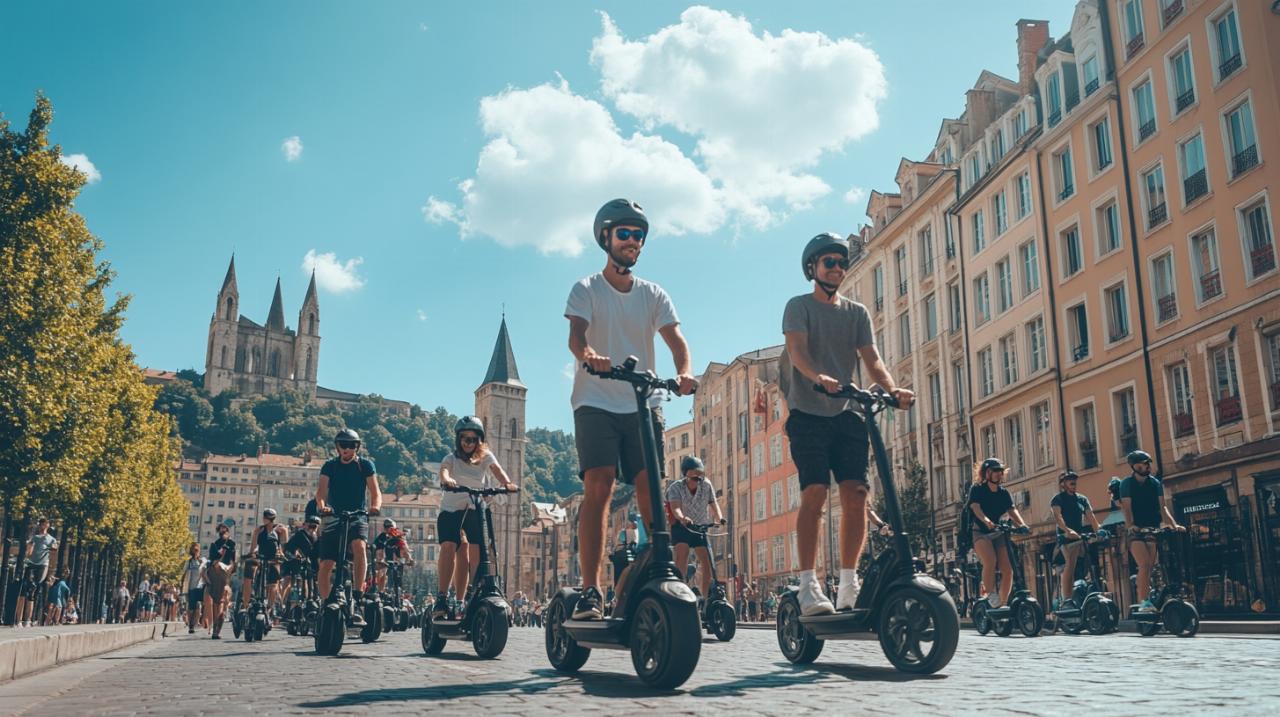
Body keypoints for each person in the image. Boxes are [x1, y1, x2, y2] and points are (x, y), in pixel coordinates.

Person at [565, 198, 696, 620]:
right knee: (600, 486)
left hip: (642, 401)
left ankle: (655, 574)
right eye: (624, 234)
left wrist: (684, 372)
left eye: (639, 235)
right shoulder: (587, 289)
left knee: (651, 493)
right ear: (606, 238)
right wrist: (590, 355)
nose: (632, 241)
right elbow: (576, 337)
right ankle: (590, 590)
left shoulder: (653, 294)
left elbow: (676, 341)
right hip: (596, 399)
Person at [780, 233, 916, 615]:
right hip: (808, 413)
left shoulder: (857, 313)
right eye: (829, 262)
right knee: (815, 492)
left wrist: (892, 389)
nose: (837, 269)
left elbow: (872, 359)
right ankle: (808, 585)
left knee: (857, 494)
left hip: (848, 411)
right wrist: (818, 376)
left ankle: (848, 584)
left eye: (842, 263)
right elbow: (797, 351)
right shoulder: (798, 306)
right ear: (812, 268)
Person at [434, 417, 516, 618]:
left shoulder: (485, 457)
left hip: (475, 507)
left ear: (479, 440)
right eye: (465, 439)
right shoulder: (451, 458)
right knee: (450, 546)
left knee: (477, 548)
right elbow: (444, 472)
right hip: (451, 509)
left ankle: (471, 592)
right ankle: (442, 598)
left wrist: (507, 484)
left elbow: (497, 470)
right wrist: (448, 480)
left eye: (473, 439)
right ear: (459, 440)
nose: (469, 443)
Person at [316, 428, 382, 627]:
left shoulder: (365, 465)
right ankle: (325, 603)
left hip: (357, 515)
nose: (347, 449)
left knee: (359, 546)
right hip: (333, 516)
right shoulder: (330, 466)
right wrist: (322, 507)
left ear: (357, 447)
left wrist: (375, 507)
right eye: (343, 445)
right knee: (326, 564)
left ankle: (358, 594)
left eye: (351, 445)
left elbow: (375, 492)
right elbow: (321, 492)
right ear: (337, 447)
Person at [1118, 450, 1184, 613]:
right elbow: (1127, 508)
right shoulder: (1126, 484)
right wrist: (1131, 525)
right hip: (1136, 530)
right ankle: (1144, 602)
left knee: (1151, 566)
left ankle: (1148, 593)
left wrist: (1174, 525)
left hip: (1152, 527)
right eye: (1143, 463)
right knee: (1144, 564)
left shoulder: (1155, 483)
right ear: (1134, 466)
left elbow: (1163, 508)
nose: (1147, 466)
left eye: (1148, 463)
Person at [967, 458, 1030, 609]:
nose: (998, 474)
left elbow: (1012, 510)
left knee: (1008, 569)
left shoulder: (1003, 493)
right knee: (990, 561)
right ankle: (990, 596)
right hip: (980, 533)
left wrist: (1022, 525)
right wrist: (986, 521)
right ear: (986, 473)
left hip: (998, 532)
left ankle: (1002, 604)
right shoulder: (977, 489)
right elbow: (975, 507)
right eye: (994, 471)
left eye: (1000, 471)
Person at [664, 456, 725, 599]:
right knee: (682, 556)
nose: (698, 480)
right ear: (685, 475)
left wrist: (720, 518)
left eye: (700, 476)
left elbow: (713, 503)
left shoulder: (706, 485)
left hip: (700, 527)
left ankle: (705, 599)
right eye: (694, 477)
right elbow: (675, 508)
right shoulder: (676, 488)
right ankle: (680, 595)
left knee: (707, 563)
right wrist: (682, 518)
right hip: (682, 527)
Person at [1050, 471, 1102, 610]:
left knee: (1089, 565)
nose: (1073, 482)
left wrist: (1099, 530)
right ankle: (1067, 600)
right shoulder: (1058, 499)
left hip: (1080, 537)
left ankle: (1086, 594)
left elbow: (1092, 518)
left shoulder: (1082, 499)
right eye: (1069, 480)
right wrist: (1067, 530)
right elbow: (1058, 517)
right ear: (1063, 484)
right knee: (1070, 564)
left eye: (1074, 479)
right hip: (1066, 538)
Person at [241, 508, 288, 623]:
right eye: (264, 517)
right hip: (260, 557)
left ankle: (270, 608)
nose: (265, 519)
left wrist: (281, 553)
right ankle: (246, 605)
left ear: (272, 519)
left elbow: (283, 547)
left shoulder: (281, 530)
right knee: (249, 572)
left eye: (267, 518)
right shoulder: (259, 530)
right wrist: (253, 553)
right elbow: (254, 546)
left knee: (273, 584)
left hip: (273, 559)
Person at [15, 518, 59, 628]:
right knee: (24, 589)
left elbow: (54, 552)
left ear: (48, 525)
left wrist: (51, 572)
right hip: (31, 564)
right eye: (41, 524)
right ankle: (19, 620)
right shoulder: (35, 537)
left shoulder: (52, 539)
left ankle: (28, 620)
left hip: (42, 565)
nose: (43, 525)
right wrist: (26, 557)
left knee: (34, 587)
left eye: (45, 523)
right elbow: (29, 550)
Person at [280, 514, 320, 610]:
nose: (312, 529)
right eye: (310, 526)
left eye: (315, 527)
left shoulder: (318, 537)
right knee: (296, 583)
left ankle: (313, 602)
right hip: (298, 564)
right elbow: (288, 549)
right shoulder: (299, 535)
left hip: (313, 565)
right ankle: (284, 604)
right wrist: (294, 556)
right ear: (305, 525)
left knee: (314, 584)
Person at [204, 523, 236, 638]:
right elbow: (212, 560)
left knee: (223, 601)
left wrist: (229, 571)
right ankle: (215, 630)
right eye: (221, 531)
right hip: (215, 573)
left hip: (225, 574)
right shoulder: (214, 544)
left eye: (225, 530)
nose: (223, 532)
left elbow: (233, 561)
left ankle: (217, 630)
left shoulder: (231, 543)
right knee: (216, 602)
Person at [373, 518, 413, 594]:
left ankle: (397, 591)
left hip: (396, 556)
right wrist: (379, 561)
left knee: (402, 546)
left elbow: (404, 547)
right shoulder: (382, 537)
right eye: (387, 528)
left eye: (391, 527)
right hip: (385, 558)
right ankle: (380, 592)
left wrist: (409, 558)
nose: (389, 529)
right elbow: (377, 548)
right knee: (382, 571)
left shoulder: (397, 536)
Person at [181, 543, 207, 634]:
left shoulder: (202, 561)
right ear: (192, 551)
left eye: (197, 550)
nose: (196, 552)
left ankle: (196, 623)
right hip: (191, 588)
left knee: (199, 606)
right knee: (191, 608)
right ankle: (191, 625)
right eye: (195, 550)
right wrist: (183, 587)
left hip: (200, 587)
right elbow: (184, 574)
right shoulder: (189, 562)